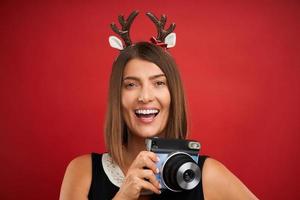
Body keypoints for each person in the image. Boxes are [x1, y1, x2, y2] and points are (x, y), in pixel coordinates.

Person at [59, 11, 258, 200]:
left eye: (159, 83)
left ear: (173, 95)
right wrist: (124, 195)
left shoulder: (207, 175)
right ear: (117, 98)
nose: (145, 96)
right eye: (131, 84)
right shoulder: (82, 173)